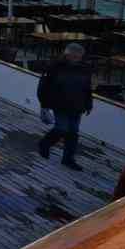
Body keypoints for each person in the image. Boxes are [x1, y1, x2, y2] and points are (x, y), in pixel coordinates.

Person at [38, 43, 93, 171]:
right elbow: (43, 88)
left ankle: (68, 159)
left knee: (73, 133)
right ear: (67, 55)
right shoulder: (54, 67)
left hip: (77, 105)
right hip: (60, 104)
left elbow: (87, 88)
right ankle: (45, 143)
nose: (77, 59)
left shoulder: (84, 68)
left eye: (79, 57)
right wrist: (44, 106)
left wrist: (89, 103)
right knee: (61, 128)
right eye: (74, 56)